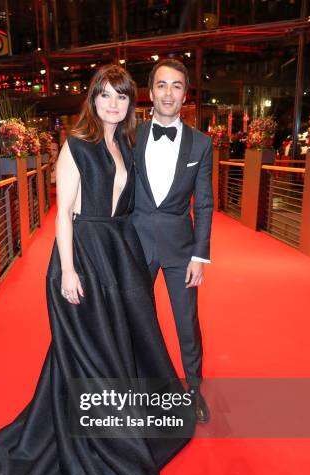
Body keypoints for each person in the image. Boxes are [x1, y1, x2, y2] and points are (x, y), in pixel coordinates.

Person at [0, 65, 220, 475]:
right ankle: (99, 455)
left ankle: (77, 425)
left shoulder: (123, 143)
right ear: (93, 99)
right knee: (91, 356)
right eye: (105, 96)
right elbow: (63, 214)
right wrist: (67, 273)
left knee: (98, 356)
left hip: (118, 259)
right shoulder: (75, 145)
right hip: (81, 264)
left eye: (120, 97)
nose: (113, 104)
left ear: (129, 103)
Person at [131, 59, 213, 424]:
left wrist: (200, 256)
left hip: (182, 248)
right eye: (162, 85)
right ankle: (135, 388)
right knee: (133, 318)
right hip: (136, 242)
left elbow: (206, 203)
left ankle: (193, 391)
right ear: (151, 93)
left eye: (176, 86)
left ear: (185, 94)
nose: (168, 93)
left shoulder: (202, 144)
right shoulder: (130, 135)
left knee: (186, 323)